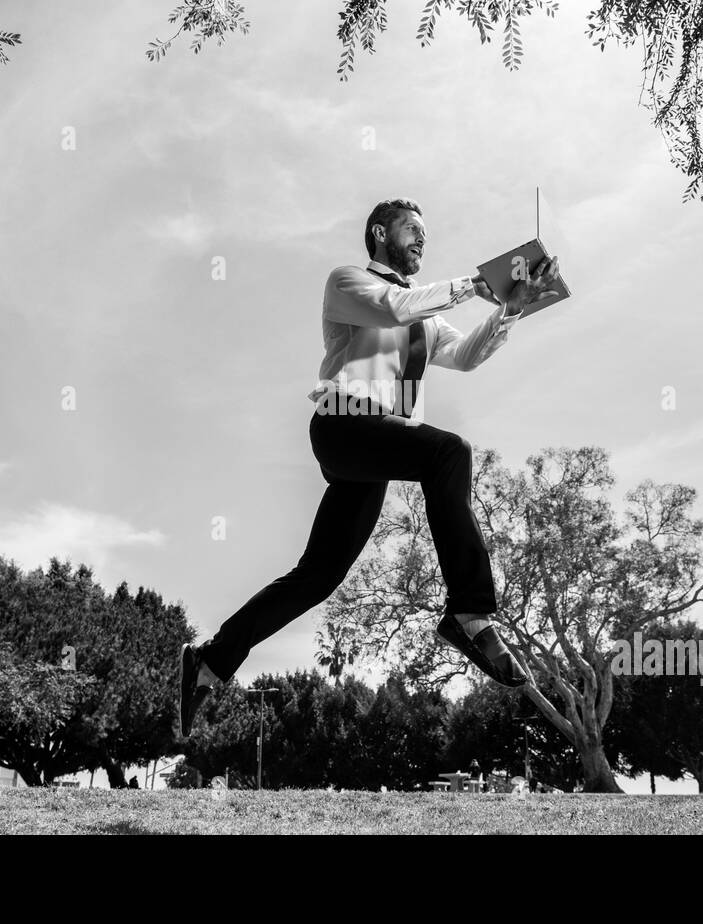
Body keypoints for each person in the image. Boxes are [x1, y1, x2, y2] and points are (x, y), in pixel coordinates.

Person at [179, 198, 560, 737]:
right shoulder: (349, 283)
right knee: (449, 453)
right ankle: (469, 613)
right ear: (380, 233)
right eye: (412, 229)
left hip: (377, 448)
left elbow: (468, 355)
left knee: (317, 577)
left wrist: (511, 308)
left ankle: (211, 661)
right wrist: (474, 286)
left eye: (426, 232)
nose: (421, 240)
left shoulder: (424, 319)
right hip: (341, 423)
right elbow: (392, 309)